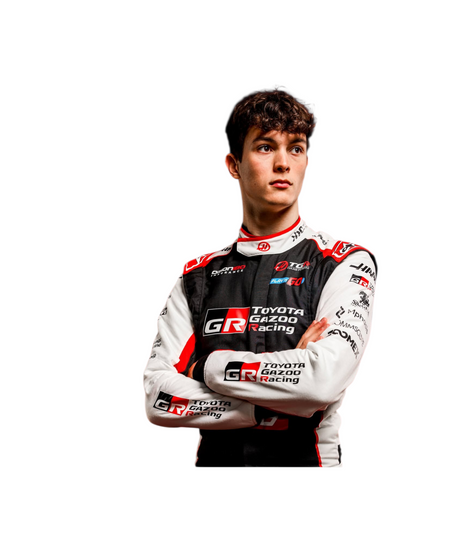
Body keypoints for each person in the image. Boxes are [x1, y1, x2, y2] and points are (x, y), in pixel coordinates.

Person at [143, 89, 377, 467]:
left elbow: (322, 382)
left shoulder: (344, 263)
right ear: (234, 164)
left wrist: (206, 369)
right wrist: (273, 402)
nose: (283, 163)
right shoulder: (197, 278)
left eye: (296, 148)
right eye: (266, 147)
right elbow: (158, 398)